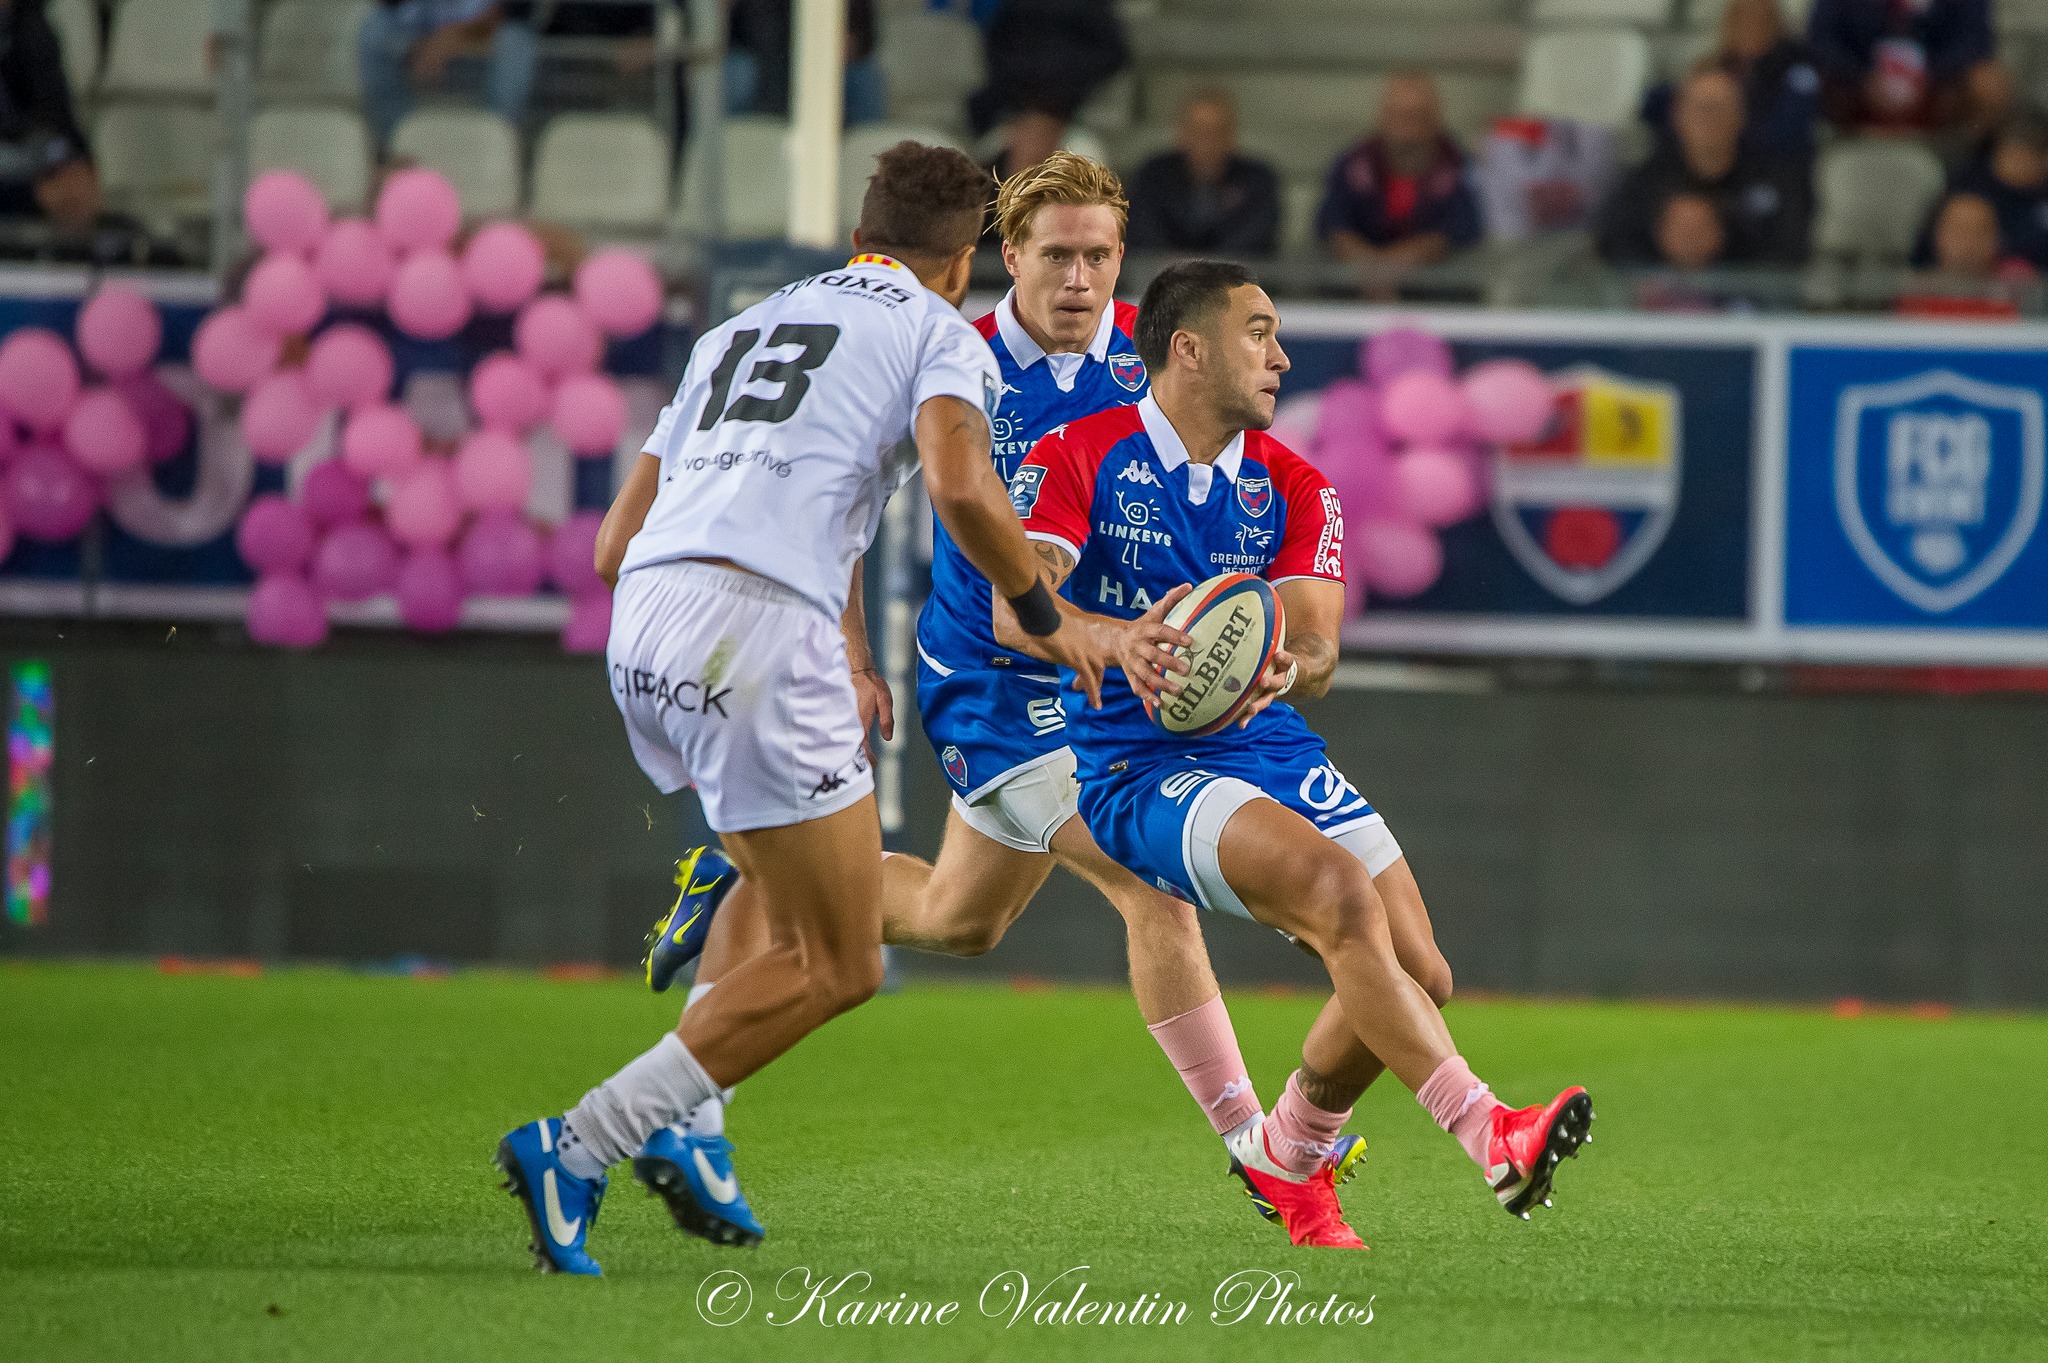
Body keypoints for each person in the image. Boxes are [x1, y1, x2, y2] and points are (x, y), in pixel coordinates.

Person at [641, 152, 1362, 1241]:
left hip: (1106, 683)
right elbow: (835, 498)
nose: (1079, 279)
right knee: (1146, 883)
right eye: (1056, 254)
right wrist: (850, 650)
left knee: (954, 919)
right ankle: (1250, 1145)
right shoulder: (952, 358)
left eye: (1100, 256)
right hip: (990, 684)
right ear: (1004, 256)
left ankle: (752, 877)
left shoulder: (1154, 362)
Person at [494, 142, 1121, 1273]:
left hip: (640, 624)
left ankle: (693, 1120)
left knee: (793, 892)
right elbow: (958, 485)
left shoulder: (738, 326)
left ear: (858, 236)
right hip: (755, 635)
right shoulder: (938, 336)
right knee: (838, 962)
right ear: (965, 259)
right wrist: (1046, 614)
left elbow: (609, 545)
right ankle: (581, 1140)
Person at [1007, 259, 1596, 1246]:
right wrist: (1107, 638)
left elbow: (1319, 642)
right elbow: (1020, 604)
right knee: (1338, 898)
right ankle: (1490, 1130)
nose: (1280, 355)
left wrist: (1291, 662)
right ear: (1186, 348)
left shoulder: (1296, 484)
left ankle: (1286, 1150)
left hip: (1267, 741)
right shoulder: (1078, 455)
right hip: (1136, 764)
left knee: (1419, 971)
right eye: (1258, 331)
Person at [1596, 66, 1812, 268]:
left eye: (1719, 108)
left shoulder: (1777, 178)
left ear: (1741, 116)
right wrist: (1665, 249)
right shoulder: (1645, 182)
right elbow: (1614, 244)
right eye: (1699, 108)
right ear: (1677, 116)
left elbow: (1790, 249)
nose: (1708, 118)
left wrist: (1723, 246)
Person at [1316, 73, 1482, 268]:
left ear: (1435, 118)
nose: (1407, 131)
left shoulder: (1458, 167)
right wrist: (1368, 268)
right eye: (1398, 117)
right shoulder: (1352, 165)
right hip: (1354, 286)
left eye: (1417, 117)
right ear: (1383, 116)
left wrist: (1398, 264)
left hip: (1436, 287)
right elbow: (1332, 224)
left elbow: (1462, 228)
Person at [1642, 0, 1822, 161]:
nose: (1746, 27)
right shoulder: (1714, 66)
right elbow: (1659, 107)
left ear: (1776, 23)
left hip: (1766, 165)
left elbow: (1787, 133)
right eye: (1738, 17)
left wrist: (1727, 131)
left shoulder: (1797, 68)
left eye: (1756, 19)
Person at [1807, 0, 2007, 138]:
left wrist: (1930, 76)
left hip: (1939, 90)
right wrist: (1862, 78)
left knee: (1988, 83)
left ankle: (1971, 177)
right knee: (1804, 80)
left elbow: (1976, 41)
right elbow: (1821, 41)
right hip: (1857, 88)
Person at [358, 1, 540, 150]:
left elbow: (506, 13)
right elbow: (393, 10)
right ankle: (398, 144)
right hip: (422, 40)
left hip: (482, 43)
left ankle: (496, 144)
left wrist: (454, 35)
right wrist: (422, 46)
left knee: (516, 41)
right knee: (374, 31)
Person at [1127, 90, 1282, 257]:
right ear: (1182, 133)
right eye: (1198, 131)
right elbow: (1143, 232)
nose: (1206, 142)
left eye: (1215, 132)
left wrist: (1206, 269)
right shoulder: (1154, 175)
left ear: (1231, 135)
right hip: (1162, 277)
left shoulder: (1257, 178)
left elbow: (1257, 236)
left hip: (1235, 278)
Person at [0, 0, 100, 231]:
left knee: (73, 185)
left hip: (25, 171)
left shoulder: (30, 29)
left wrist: (77, 163)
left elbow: (57, 115)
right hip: (20, 183)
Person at [968, 0, 1129, 137]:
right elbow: (997, 51)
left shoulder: (1090, 6)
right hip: (1017, 107)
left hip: (1078, 109)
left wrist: (1059, 87)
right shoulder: (1016, 6)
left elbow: (1113, 55)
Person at [725, 0, 885, 127]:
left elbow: (866, 34)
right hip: (766, 61)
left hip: (831, 63)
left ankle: (865, 150)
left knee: (864, 75)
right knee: (737, 72)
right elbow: (738, 32)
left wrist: (850, 45)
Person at [1948, 110, 2048, 271]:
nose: (2015, 166)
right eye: (2011, 156)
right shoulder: (1973, 185)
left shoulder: (2041, 198)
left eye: (2023, 158)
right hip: (1979, 278)